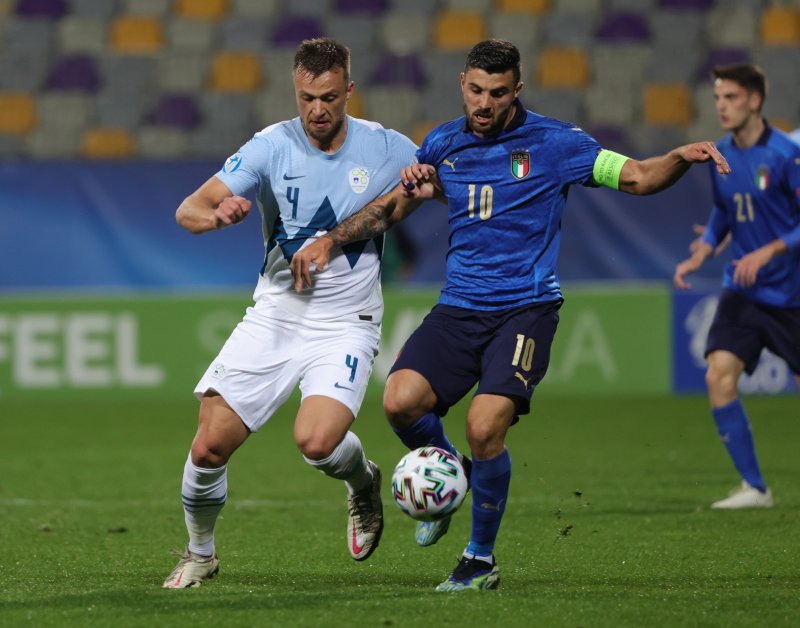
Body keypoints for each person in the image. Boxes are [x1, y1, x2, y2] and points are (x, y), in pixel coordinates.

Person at [291, 39, 730, 592]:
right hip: (459, 306)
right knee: (400, 402)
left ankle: (479, 560)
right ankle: (455, 478)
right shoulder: (444, 142)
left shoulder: (557, 143)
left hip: (525, 310)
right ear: (462, 84)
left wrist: (677, 159)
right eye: (476, 90)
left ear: (516, 91)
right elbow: (408, 203)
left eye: (497, 93)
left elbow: (638, 176)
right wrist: (375, 217)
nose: (484, 103)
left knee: (483, 425)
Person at [162, 38, 418, 588]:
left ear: (348, 90)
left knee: (317, 442)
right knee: (208, 444)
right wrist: (217, 217)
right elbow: (190, 207)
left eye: (328, 97)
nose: (317, 110)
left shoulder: (388, 147)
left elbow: (438, 185)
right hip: (276, 314)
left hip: (347, 322)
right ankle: (200, 552)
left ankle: (362, 483)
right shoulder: (271, 145)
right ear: (295, 91)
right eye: (306, 97)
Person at [673, 64, 800, 510]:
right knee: (718, 374)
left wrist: (768, 252)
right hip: (742, 292)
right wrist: (703, 251)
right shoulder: (720, 154)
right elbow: (724, 213)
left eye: (731, 97)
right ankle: (754, 487)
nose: (722, 106)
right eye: (718, 98)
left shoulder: (786, 154)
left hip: (790, 295)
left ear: (755, 101)